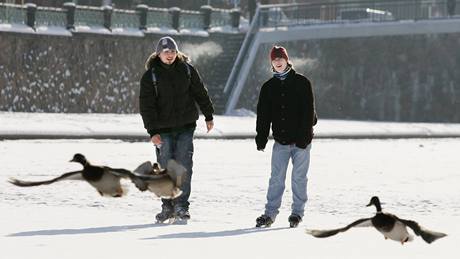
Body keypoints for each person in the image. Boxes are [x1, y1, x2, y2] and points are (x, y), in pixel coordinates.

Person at [139, 36, 214, 223]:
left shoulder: (187, 70)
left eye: (172, 51)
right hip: (162, 130)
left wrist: (208, 115)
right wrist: (152, 132)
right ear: (159, 54)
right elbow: (146, 106)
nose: (170, 55)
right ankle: (167, 206)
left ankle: (181, 206)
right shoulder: (151, 76)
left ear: (177, 53)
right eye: (166, 52)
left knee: (183, 166)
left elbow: (200, 92)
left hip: (185, 127)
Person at [255, 45, 317, 228]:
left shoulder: (302, 82)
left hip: (301, 142)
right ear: (272, 63)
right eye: (274, 59)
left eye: (280, 58)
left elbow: (309, 112)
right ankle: (269, 214)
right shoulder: (268, 87)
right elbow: (263, 115)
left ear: (287, 60)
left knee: (299, 178)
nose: (278, 62)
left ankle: (297, 213)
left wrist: (305, 137)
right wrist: (261, 137)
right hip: (280, 141)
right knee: (276, 178)